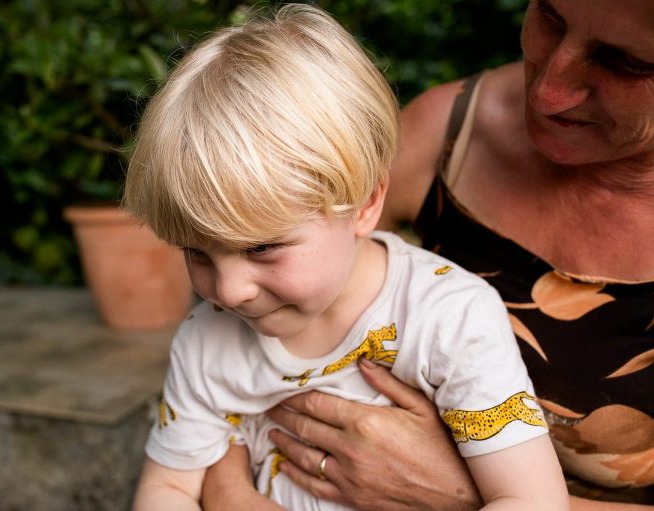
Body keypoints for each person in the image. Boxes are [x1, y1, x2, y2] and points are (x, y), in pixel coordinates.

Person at [200, 0, 654, 509]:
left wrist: (463, 491)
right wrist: (221, 478)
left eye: (628, 62)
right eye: (550, 17)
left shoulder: (458, 311)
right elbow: (242, 281)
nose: (549, 91)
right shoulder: (447, 132)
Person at [123, 4, 570, 510]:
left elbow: (528, 500)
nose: (226, 291)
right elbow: (169, 488)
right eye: (196, 252)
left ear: (365, 203)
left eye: (262, 247)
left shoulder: (450, 320)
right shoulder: (207, 342)